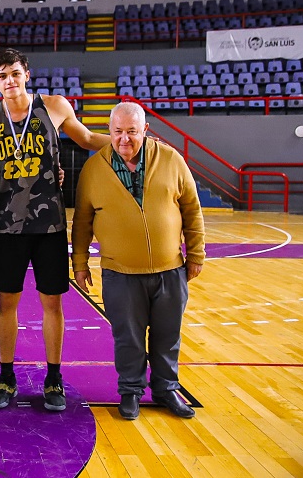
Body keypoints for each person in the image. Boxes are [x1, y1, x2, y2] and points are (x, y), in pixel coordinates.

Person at [0, 48, 111, 411]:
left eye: (15, 73)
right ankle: (6, 376)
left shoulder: (54, 106)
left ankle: (54, 377)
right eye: (2, 75)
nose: (9, 80)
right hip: (7, 225)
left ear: (27, 75)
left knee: (53, 303)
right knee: (6, 304)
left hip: (49, 224)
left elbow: (84, 139)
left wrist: (126, 140)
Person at [71, 101, 205, 420]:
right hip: (120, 272)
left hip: (170, 270)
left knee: (168, 334)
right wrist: (79, 263)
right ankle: (130, 391)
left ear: (145, 130)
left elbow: (192, 209)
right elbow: (82, 222)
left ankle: (166, 389)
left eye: (132, 131)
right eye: (117, 132)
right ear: (109, 130)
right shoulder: (94, 168)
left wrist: (196, 253)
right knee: (127, 337)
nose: (124, 139)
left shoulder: (172, 159)